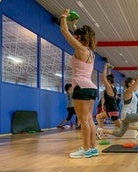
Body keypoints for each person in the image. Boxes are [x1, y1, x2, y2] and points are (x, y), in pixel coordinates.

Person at [60, 9, 98, 158]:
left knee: (83, 120)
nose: (75, 37)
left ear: (81, 38)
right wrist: (74, 24)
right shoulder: (90, 52)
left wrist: (64, 16)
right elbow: (79, 36)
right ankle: (92, 148)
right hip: (91, 88)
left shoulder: (80, 49)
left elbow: (64, 30)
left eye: (77, 36)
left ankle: (86, 149)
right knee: (89, 119)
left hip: (81, 88)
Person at [97, 67, 138, 141]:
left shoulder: (132, 92)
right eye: (133, 83)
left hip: (125, 116)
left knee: (120, 134)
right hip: (127, 115)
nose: (135, 84)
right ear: (129, 84)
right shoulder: (128, 92)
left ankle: (102, 131)